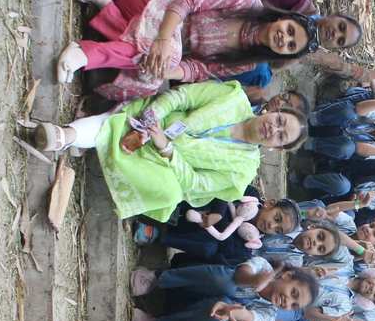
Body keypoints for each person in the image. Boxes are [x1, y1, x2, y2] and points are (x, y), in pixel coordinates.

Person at [57, 0, 359, 100]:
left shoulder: (248, 63)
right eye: (289, 30)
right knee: (162, 51)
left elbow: (199, 69)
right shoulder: (245, 1)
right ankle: (85, 53)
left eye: (290, 45)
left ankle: (103, 4)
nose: (285, 38)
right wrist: (164, 42)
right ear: (285, 19)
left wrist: (165, 70)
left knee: (153, 76)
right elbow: (186, 1)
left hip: (152, 37)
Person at [32, 80, 304, 223]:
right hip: (156, 118)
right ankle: (67, 136)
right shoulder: (234, 97)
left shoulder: (243, 173)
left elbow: (197, 184)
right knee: (128, 121)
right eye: (280, 121)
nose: (273, 129)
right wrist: (154, 117)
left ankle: (89, 142)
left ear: (277, 149)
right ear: (275, 110)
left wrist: (167, 149)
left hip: (167, 165)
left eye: (281, 137)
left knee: (171, 193)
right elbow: (184, 97)